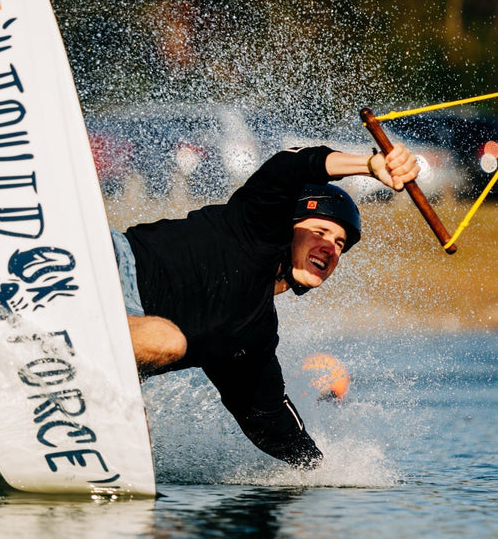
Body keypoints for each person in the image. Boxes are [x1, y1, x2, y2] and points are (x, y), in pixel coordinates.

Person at [111, 143, 420, 468]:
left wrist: (320, 474)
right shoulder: (251, 229)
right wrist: (369, 165)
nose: (330, 247)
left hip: (117, 346)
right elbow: (290, 167)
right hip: (98, 264)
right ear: (287, 228)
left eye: (339, 243)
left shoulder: (253, 335)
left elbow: (270, 420)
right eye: (320, 231)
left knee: (135, 449)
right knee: (166, 342)